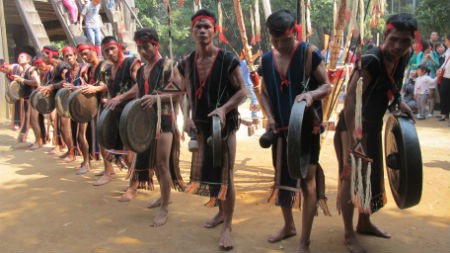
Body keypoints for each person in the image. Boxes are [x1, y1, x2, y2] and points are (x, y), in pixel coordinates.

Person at [334, 13, 417, 253]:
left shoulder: (403, 57)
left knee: (370, 178)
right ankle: (349, 234)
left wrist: (399, 103)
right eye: (394, 39)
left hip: (373, 126)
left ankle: (364, 222)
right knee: (351, 180)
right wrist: (353, 137)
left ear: (411, 41)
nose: (398, 46)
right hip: (352, 126)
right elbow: (350, 99)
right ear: (386, 35)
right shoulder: (371, 60)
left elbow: (393, 88)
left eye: (404, 41)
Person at [257, 9, 331, 253]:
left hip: (307, 129)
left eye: (285, 40)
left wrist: (311, 95)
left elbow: (327, 85)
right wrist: (269, 116)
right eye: (275, 41)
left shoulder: (309, 53)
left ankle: (305, 242)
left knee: (307, 183)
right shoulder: (267, 60)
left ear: (294, 33)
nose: (280, 45)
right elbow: (264, 92)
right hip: (280, 130)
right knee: (283, 181)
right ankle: (289, 226)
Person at [176, 9, 248, 250]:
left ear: (215, 31)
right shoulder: (186, 62)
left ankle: (227, 225)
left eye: (207, 27)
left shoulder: (227, 59)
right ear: (192, 31)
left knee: (226, 176)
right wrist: (186, 117)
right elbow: (187, 93)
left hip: (224, 127)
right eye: (198, 27)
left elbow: (242, 92)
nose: (203, 31)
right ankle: (219, 213)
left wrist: (224, 109)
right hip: (201, 127)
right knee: (211, 175)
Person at [117, 28, 186, 226]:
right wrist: (121, 97)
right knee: (155, 164)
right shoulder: (141, 69)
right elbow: (139, 89)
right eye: (139, 48)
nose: (143, 51)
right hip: (145, 122)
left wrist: (156, 97)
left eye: (146, 47)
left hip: (164, 120)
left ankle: (165, 207)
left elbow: (180, 90)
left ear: (156, 45)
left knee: (163, 164)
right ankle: (165, 196)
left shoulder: (169, 65)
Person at [94, 36, 141, 186]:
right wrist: (108, 98)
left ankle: (133, 187)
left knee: (129, 152)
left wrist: (120, 98)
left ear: (119, 47)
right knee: (108, 143)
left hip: (131, 114)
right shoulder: (107, 69)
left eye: (112, 48)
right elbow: (110, 90)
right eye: (106, 50)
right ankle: (114, 173)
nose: (110, 52)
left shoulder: (130, 63)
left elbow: (139, 86)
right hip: (115, 113)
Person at [39, 45, 73, 159]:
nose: (42, 57)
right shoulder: (54, 67)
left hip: (66, 100)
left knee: (65, 127)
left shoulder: (62, 66)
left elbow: (67, 80)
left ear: (50, 54)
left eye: (44, 55)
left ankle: (72, 153)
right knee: (60, 127)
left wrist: (52, 87)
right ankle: (69, 150)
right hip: (60, 100)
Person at [437, 33, 450, 122]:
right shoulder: (448, 50)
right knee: (443, 93)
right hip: (445, 75)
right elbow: (446, 62)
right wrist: (440, 69)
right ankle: (444, 113)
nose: (445, 41)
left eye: (446, 40)